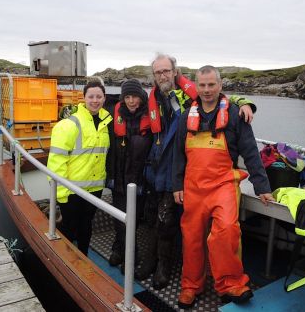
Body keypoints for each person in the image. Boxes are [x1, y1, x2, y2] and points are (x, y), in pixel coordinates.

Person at [136, 53, 257, 289]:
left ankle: (173, 271)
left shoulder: (187, 96)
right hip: (162, 170)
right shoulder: (151, 98)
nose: (162, 75)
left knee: (187, 226)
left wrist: (244, 102)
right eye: (158, 72)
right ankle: (159, 267)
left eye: (166, 71)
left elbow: (217, 96)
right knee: (157, 220)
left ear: (175, 72)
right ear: (154, 75)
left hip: (193, 175)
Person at [172, 65, 275, 309]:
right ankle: (191, 285)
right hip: (193, 186)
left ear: (220, 85)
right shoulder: (187, 116)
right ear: (196, 86)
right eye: (202, 85)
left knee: (227, 232)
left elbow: (250, 151)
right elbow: (177, 154)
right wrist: (177, 184)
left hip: (224, 185)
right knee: (192, 237)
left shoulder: (236, 114)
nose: (207, 90)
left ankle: (231, 284)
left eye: (211, 85)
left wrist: (262, 186)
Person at [47, 78, 113, 256]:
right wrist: (60, 193)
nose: (95, 100)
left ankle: (83, 258)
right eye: (91, 96)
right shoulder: (69, 125)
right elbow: (56, 161)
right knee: (70, 229)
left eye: (99, 96)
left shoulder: (107, 123)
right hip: (72, 191)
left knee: (86, 226)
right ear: (83, 98)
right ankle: (67, 262)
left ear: (104, 98)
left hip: (95, 189)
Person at [107, 79, 153, 270]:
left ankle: (129, 254)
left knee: (132, 219)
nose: (132, 101)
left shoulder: (151, 117)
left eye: (135, 96)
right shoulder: (114, 117)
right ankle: (122, 250)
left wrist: (243, 104)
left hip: (140, 179)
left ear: (142, 97)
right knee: (119, 217)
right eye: (127, 97)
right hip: (119, 177)